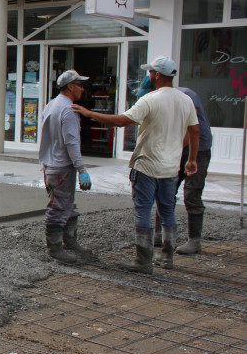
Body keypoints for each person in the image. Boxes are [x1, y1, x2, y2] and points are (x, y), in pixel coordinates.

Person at [73, 56, 198, 274]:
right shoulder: (185, 99)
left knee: (142, 210)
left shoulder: (150, 99)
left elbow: (122, 121)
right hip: (171, 168)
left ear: (157, 75)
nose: (148, 76)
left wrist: (89, 113)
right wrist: (190, 158)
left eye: (150, 72)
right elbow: (194, 131)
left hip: (147, 166)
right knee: (167, 210)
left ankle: (143, 260)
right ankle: (167, 256)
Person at [38, 70, 94, 264]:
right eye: (80, 85)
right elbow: (71, 143)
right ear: (70, 86)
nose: (82, 89)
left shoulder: (51, 105)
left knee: (66, 204)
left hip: (51, 164)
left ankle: (69, 242)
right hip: (61, 166)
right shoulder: (69, 110)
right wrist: (82, 170)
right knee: (59, 206)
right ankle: (55, 248)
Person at [172, 86, 213, 254]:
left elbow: (192, 128)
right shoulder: (158, 99)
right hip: (179, 146)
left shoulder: (186, 95)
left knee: (191, 193)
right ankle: (164, 234)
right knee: (166, 188)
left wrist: (173, 151)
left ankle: (194, 241)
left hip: (198, 149)